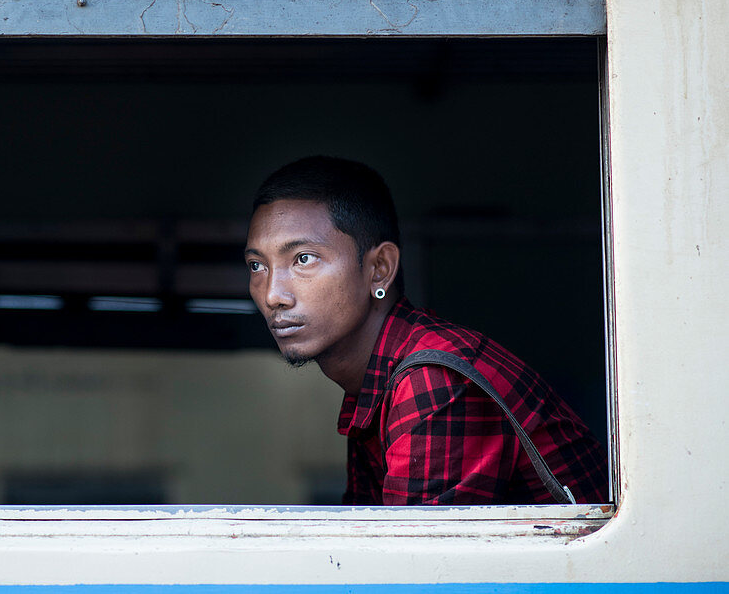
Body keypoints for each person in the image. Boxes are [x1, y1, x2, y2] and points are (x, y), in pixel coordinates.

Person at [244, 156, 608, 505]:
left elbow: (415, 566)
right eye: (258, 265)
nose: (274, 294)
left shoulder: (431, 380)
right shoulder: (377, 381)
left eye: (303, 259)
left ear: (380, 269)